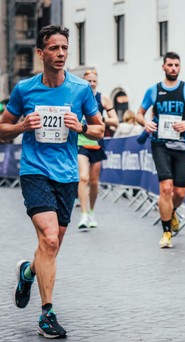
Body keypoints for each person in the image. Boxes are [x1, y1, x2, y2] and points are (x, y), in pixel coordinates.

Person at [0, 25, 104, 339]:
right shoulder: (24, 89)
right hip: (34, 172)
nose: (60, 54)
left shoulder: (80, 89)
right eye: (54, 49)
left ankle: (27, 272)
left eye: (64, 48)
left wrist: (82, 125)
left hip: (66, 175)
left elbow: (99, 131)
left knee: (51, 248)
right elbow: (2, 128)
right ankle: (47, 314)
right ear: (41, 53)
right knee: (49, 240)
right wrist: (20, 126)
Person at [136, 51, 185, 248]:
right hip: (160, 144)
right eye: (170, 65)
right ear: (163, 67)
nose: (173, 68)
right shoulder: (154, 90)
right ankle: (166, 232)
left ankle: (172, 211)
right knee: (165, 188)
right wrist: (145, 122)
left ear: (180, 67)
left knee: (180, 193)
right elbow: (139, 114)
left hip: (182, 144)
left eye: (177, 65)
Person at [77, 69, 119, 229]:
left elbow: (115, 121)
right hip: (80, 143)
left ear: (97, 82)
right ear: (84, 81)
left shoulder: (103, 98)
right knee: (83, 177)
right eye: (89, 81)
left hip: (97, 143)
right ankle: (83, 214)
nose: (92, 83)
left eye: (94, 81)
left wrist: (103, 120)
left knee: (94, 182)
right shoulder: (78, 97)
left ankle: (92, 212)